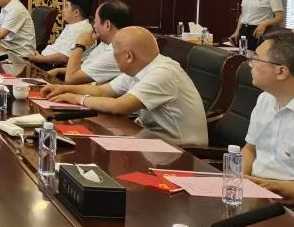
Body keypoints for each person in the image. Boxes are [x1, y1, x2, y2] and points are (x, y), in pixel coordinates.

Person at [42, 26, 208, 147]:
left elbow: (119, 106)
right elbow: (102, 90)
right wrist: (64, 89)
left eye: (114, 52)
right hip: (149, 139)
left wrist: (76, 98)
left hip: (179, 152)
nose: (113, 57)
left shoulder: (162, 73)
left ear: (128, 56)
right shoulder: (141, 66)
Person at [241, 33, 294, 210]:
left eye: (256, 58)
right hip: (255, 192)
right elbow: (250, 149)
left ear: (281, 71)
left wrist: (263, 185)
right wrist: (237, 179)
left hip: (290, 205)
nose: (250, 64)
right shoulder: (266, 99)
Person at [57, 0, 132, 85]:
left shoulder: (115, 52)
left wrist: (79, 46)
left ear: (107, 25)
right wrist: (58, 70)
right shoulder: (105, 43)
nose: (94, 26)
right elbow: (85, 68)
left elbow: (71, 79)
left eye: (95, 21)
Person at [28, 0, 94, 66]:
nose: (63, 10)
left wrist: (40, 59)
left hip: (54, 67)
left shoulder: (80, 29)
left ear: (76, 12)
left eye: (66, 6)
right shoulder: (75, 25)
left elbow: (64, 57)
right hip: (44, 59)